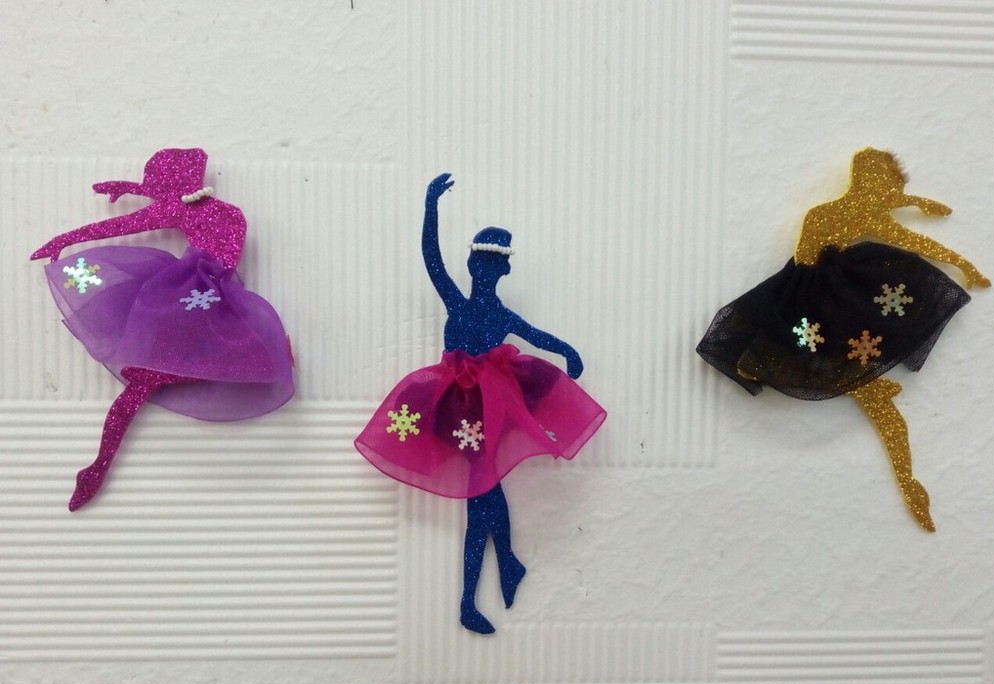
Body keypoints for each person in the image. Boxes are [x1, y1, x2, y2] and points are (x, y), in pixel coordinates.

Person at [356, 173, 606, 633]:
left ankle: (474, 597)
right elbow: (431, 259)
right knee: (485, 493)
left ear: (503, 271)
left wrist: (567, 352)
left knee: (481, 496)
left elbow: (536, 336)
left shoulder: (498, 314)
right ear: (472, 265)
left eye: (494, 264)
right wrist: (431, 205)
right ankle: (503, 566)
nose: (485, 270)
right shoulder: (458, 303)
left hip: (491, 413)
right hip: (456, 411)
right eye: (481, 262)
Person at [697, 148, 989, 531]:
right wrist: (933, 229)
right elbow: (811, 259)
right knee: (872, 401)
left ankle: (905, 475)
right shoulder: (835, 216)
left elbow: (909, 239)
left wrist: (957, 257)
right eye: (889, 186)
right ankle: (906, 476)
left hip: (838, 324)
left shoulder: (840, 214)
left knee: (876, 402)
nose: (892, 193)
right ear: (871, 183)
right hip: (824, 323)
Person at [31, 148, 294, 510]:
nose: (152, 191)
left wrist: (64, 240)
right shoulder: (224, 211)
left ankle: (97, 467)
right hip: (208, 299)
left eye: (154, 183)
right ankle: (97, 466)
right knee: (148, 385)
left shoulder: (178, 208)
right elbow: (166, 210)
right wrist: (131, 188)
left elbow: (122, 225)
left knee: (140, 388)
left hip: (183, 299)